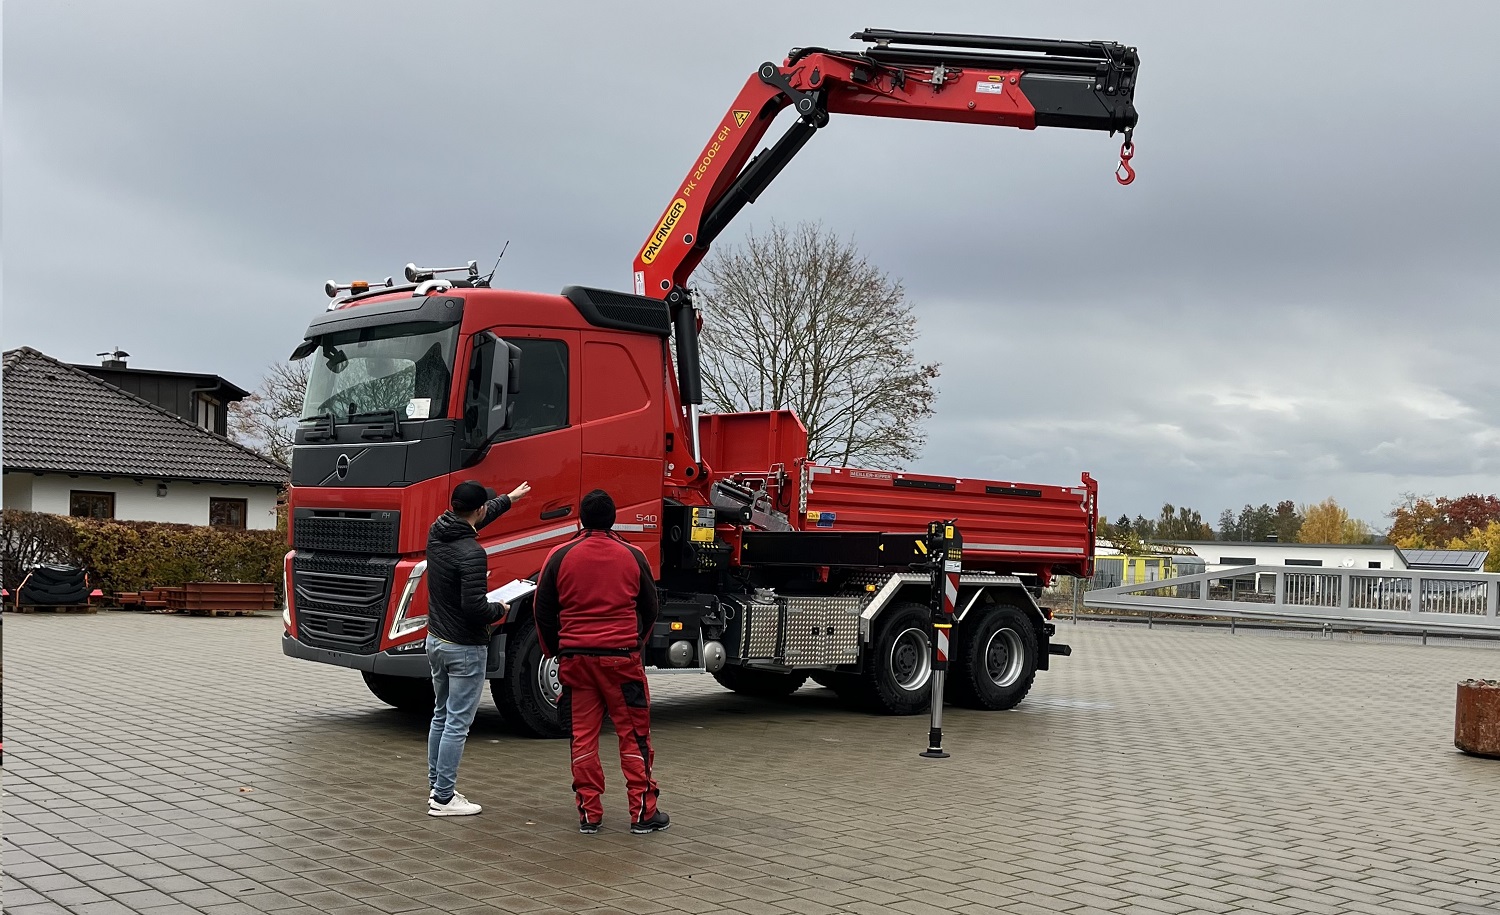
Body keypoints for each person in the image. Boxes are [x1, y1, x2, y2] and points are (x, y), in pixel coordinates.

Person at [533, 489, 668, 835]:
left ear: (580, 518)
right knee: (634, 735)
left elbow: (542, 609)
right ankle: (643, 813)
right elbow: (650, 607)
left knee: (582, 736)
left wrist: (554, 650)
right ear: (613, 519)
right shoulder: (633, 555)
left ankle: (589, 815)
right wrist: (636, 644)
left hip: (576, 662)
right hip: (621, 660)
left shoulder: (559, 555)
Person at [425, 478, 531, 816]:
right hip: (464, 648)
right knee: (457, 724)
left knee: (441, 715)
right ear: (479, 509)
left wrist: (509, 499)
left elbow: (477, 518)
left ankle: (436, 786)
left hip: (436, 641)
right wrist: (499, 609)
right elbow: (474, 608)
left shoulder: (437, 531)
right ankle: (444, 798)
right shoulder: (472, 553)